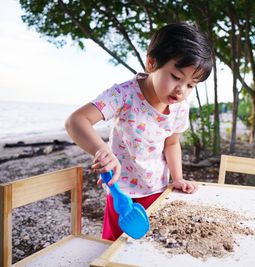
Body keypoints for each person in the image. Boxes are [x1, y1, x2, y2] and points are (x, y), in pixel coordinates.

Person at [65, 22, 213, 241]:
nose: (181, 90)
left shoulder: (180, 107)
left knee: (154, 250)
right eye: (176, 77)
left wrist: (178, 178)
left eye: (191, 85)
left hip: (159, 190)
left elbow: (172, 144)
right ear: (152, 63)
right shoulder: (123, 95)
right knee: (114, 250)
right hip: (122, 195)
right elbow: (76, 121)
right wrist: (103, 151)